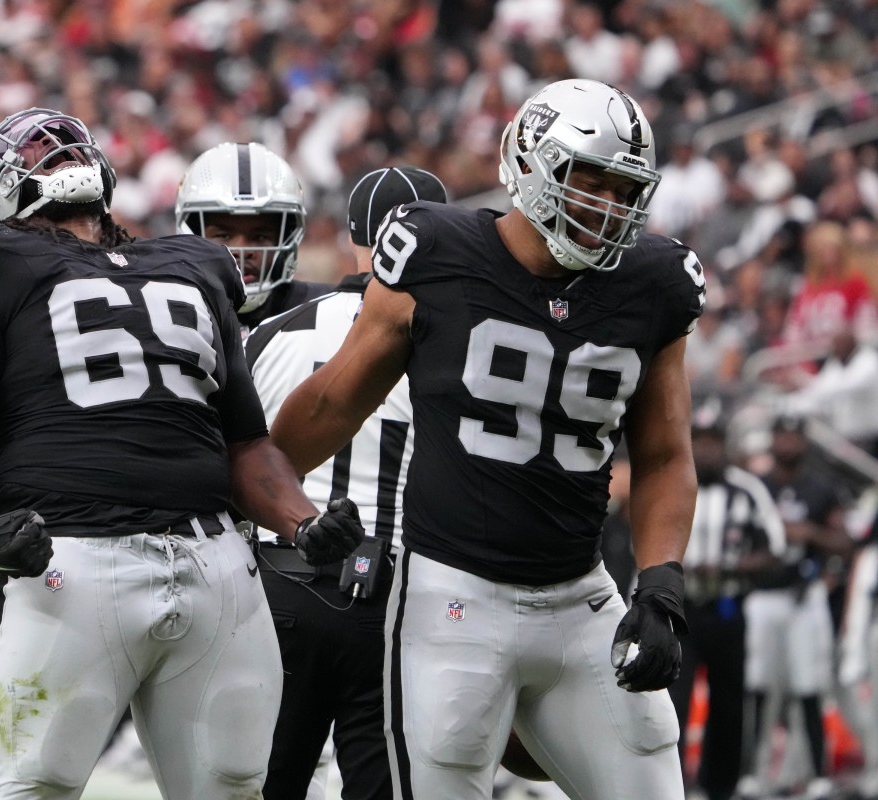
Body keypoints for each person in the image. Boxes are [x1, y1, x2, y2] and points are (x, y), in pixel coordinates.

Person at [270, 79, 706, 799]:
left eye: (623, 191)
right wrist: (277, 502)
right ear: (529, 164)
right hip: (453, 594)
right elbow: (330, 403)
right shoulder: (436, 251)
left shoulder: (655, 284)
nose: (606, 207)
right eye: (587, 180)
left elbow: (662, 454)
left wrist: (660, 585)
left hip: (579, 595)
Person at [0, 107, 364, 799]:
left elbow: (244, 442)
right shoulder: (177, 266)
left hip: (202, 566)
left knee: (228, 790)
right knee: (37, 785)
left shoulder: (189, 264)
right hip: (86, 553)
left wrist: (302, 521)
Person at [244, 165, 447, 800]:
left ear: (353, 235)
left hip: (275, 583)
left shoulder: (273, 333)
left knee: (258, 784)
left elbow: (231, 461)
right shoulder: (454, 340)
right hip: (397, 596)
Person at [672, 402, 785, 800]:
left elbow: (774, 547)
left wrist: (732, 567)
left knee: (729, 703)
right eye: (699, 441)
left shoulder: (747, 489)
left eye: (714, 441)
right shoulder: (672, 482)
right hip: (679, 611)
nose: (707, 450)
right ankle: (673, 786)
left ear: (727, 445)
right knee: (673, 701)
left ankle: (720, 785)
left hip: (727, 609)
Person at [738, 414, 852, 800]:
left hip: (805, 598)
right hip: (763, 597)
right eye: (781, 435)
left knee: (809, 686)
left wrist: (810, 533)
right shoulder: (756, 488)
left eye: (793, 436)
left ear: (804, 441)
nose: (787, 443)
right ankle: (751, 774)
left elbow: (844, 542)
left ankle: (817, 776)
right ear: (771, 440)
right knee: (755, 688)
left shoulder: (820, 488)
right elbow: (737, 540)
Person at [175, 141, 334, 334]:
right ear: (193, 234)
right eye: (224, 235)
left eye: (259, 237)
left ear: (285, 238)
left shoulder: (325, 310)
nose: (242, 250)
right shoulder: (169, 315)